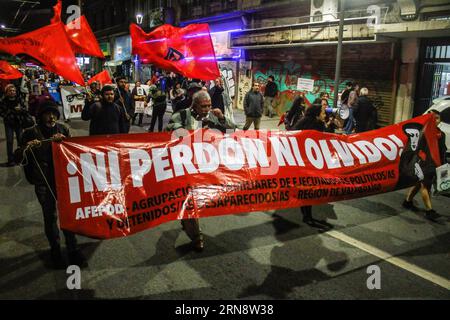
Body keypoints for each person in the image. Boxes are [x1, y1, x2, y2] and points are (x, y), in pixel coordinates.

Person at [15, 101, 85, 268]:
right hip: (43, 182)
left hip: (64, 180)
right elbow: (17, 157)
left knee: (68, 215)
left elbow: (75, 151)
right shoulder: (30, 132)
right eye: (47, 113)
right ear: (40, 116)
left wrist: (65, 141)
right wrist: (27, 147)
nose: (51, 117)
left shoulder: (63, 129)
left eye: (54, 113)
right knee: (50, 216)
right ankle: (55, 250)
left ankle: (73, 248)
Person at [166, 91, 238, 251]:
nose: (207, 109)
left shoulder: (212, 116)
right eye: (203, 106)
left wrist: (220, 117)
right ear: (194, 105)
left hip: (204, 166)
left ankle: (187, 221)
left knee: (196, 200)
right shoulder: (182, 116)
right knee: (191, 200)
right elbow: (170, 128)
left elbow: (232, 128)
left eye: (209, 106)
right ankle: (197, 236)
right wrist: (190, 133)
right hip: (185, 166)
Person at [292, 103, 332, 229]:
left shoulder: (311, 123)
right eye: (323, 113)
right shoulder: (311, 123)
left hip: (308, 162)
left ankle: (306, 214)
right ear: (316, 114)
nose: (324, 115)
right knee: (308, 189)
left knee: (308, 189)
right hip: (307, 162)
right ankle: (307, 216)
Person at [402, 110, 447, 222]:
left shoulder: (441, 135)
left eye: (437, 118)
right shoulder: (423, 133)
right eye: (433, 118)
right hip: (424, 163)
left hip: (435, 164)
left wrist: (443, 164)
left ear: (440, 120)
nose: (435, 120)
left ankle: (407, 201)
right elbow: (417, 149)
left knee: (418, 183)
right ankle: (429, 210)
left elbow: (442, 150)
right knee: (425, 185)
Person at [0, 84, 29, 166]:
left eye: (14, 90)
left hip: (19, 123)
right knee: (9, 141)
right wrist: (10, 113)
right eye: (10, 91)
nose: (12, 92)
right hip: (9, 124)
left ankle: (21, 158)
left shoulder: (19, 99)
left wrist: (21, 109)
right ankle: (10, 160)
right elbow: (1, 112)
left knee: (20, 141)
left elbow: (25, 109)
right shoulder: (3, 100)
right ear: (7, 92)